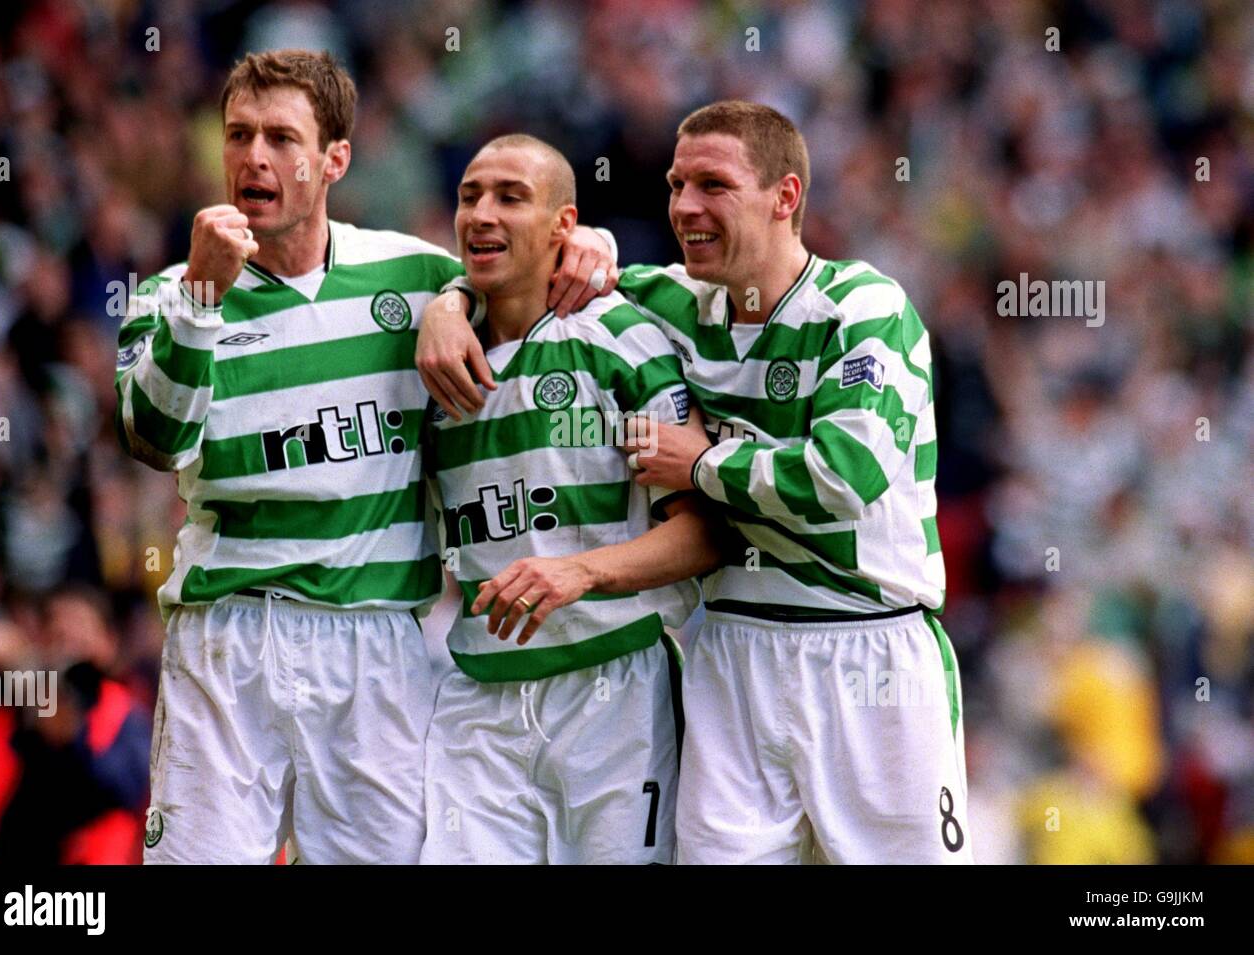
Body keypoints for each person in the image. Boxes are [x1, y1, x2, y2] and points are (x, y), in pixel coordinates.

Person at [417, 101, 971, 864]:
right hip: (730, 651)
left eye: (713, 185)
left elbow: (846, 477)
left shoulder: (864, 306)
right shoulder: (673, 303)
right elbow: (528, 268)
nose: (684, 206)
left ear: (786, 197)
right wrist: (449, 303)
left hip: (864, 644)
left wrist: (700, 462)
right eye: (677, 185)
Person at [114, 49, 614, 864]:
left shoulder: (414, 274)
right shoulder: (171, 292)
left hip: (376, 641)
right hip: (231, 634)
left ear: (335, 158)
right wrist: (201, 301)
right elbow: (153, 440)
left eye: (282, 137)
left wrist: (581, 245)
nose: (254, 157)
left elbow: (531, 267)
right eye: (239, 135)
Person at [418, 134, 719, 864]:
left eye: (511, 197)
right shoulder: (433, 363)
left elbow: (705, 534)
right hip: (478, 696)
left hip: (613, 692)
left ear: (565, 225)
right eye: (469, 196)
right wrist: (443, 304)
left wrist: (581, 572)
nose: (482, 215)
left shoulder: (621, 341)